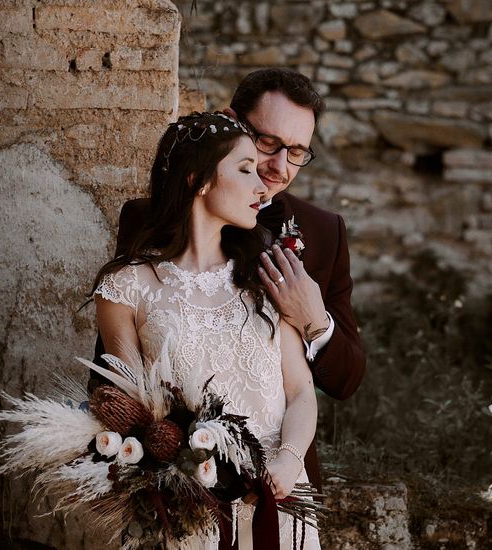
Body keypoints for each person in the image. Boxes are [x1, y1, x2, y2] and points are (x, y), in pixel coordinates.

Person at [101, 68, 366, 492]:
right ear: (233, 123)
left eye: (297, 151)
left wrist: (315, 320)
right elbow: (118, 372)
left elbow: (347, 380)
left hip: (275, 487)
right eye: (269, 144)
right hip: (180, 484)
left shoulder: (323, 232)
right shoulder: (146, 221)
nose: (279, 168)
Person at [93, 111, 320, 548]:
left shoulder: (267, 276)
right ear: (199, 180)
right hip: (187, 517)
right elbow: (132, 416)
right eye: (245, 169)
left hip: (280, 503)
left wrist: (289, 462)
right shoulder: (126, 288)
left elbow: (301, 392)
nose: (262, 185)